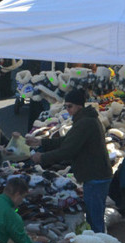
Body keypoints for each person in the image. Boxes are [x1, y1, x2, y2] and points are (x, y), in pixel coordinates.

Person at [30, 87, 113, 233]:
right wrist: (41, 142)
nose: (67, 109)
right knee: (95, 218)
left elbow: (68, 150)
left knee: (95, 220)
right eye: (66, 106)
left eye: (70, 106)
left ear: (79, 106)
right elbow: (68, 141)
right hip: (96, 175)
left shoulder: (85, 123)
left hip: (95, 176)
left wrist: (42, 157)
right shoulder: (85, 119)